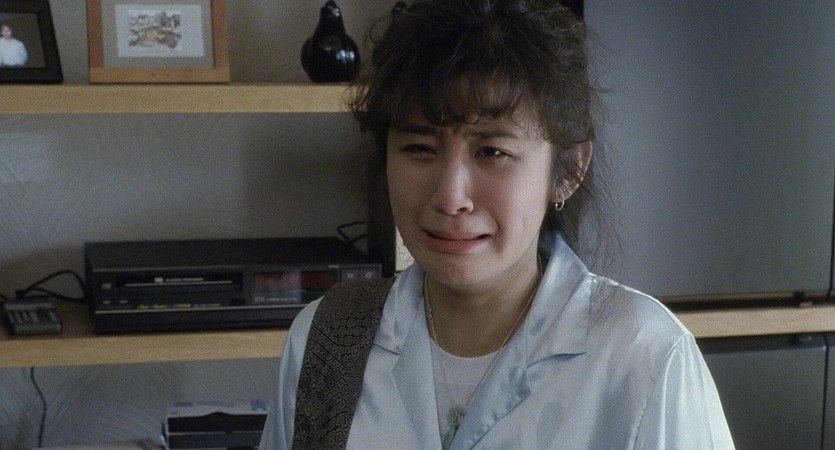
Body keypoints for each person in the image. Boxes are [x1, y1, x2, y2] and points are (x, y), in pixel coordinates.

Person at [260, 0, 735, 448]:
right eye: (420, 148)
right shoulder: (327, 341)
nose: (451, 197)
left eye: (492, 152)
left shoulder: (647, 357)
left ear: (569, 170)